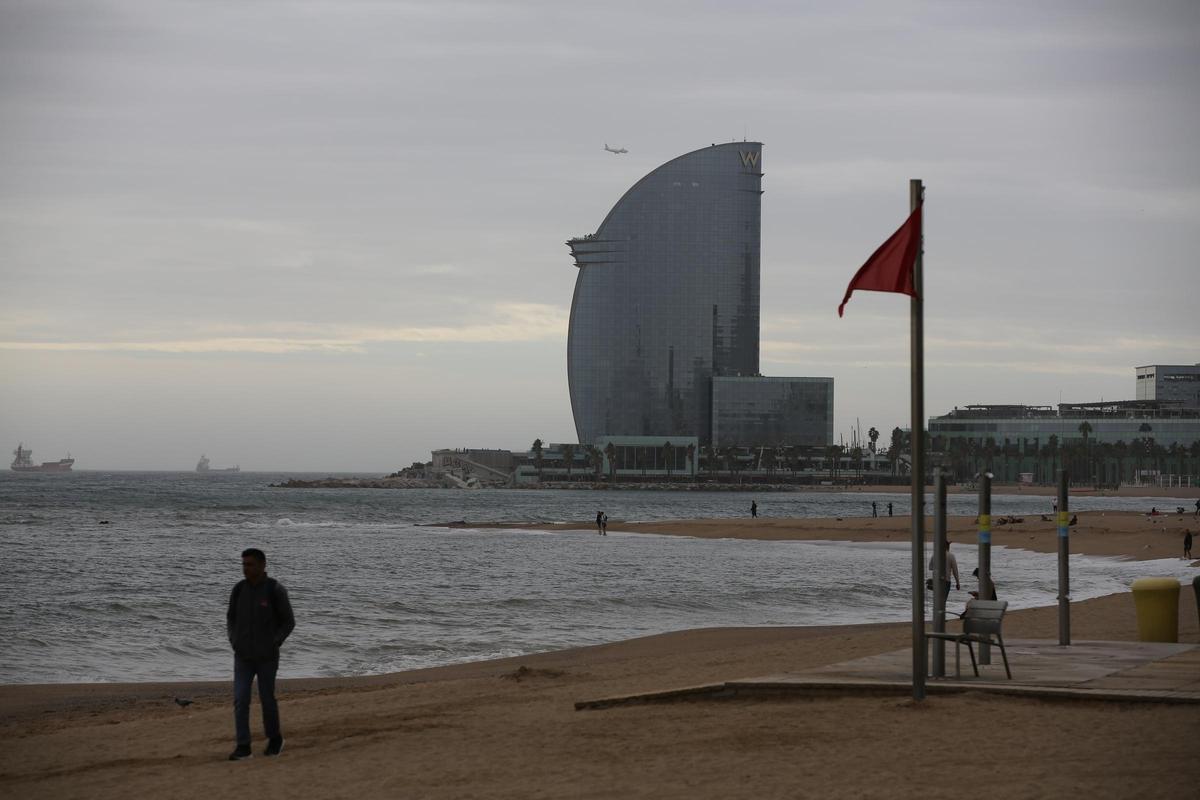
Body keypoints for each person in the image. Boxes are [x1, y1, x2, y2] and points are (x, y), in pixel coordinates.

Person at [227, 548, 295, 761]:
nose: (246, 568)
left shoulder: (275, 590)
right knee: (240, 699)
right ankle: (243, 746)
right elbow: (231, 618)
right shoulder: (238, 590)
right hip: (243, 656)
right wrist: (234, 640)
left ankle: (275, 739)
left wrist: (275, 642)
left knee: (267, 699)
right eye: (243, 565)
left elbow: (288, 622)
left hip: (267, 657)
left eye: (250, 564)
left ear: (263, 565)